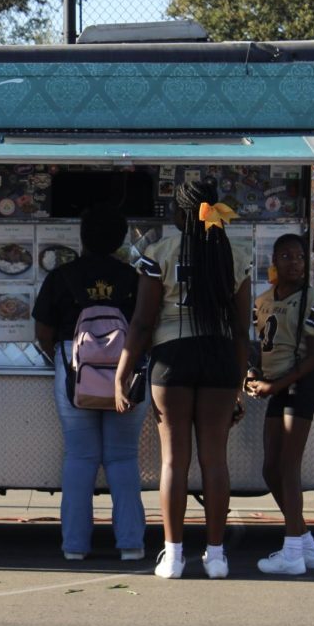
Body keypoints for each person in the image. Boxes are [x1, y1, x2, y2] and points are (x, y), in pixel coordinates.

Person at [116, 181, 251, 580]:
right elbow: (242, 331)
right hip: (220, 358)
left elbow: (141, 323)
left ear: (179, 214)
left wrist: (122, 375)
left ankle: (173, 556)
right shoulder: (237, 255)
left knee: (174, 461)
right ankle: (217, 556)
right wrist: (240, 384)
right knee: (215, 461)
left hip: (172, 358)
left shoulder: (160, 254)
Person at [34, 206, 148, 562]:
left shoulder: (61, 276)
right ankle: (131, 545)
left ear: (82, 237)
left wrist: (66, 358)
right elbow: (146, 326)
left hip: (74, 368)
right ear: (121, 239)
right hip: (126, 370)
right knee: (123, 458)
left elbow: (43, 331)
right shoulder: (134, 277)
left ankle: (74, 547)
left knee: (80, 457)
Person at [245, 234, 314, 575]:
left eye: (299, 257)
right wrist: (252, 377)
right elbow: (262, 348)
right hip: (277, 385)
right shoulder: (263, 300)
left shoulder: (312, 301)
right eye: (287, 256)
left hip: (300, 385)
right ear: (274, 261)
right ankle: (305, 542)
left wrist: (275, 385)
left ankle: (293, 553)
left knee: (288, 467)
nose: (295, 262)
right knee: (271, 469)